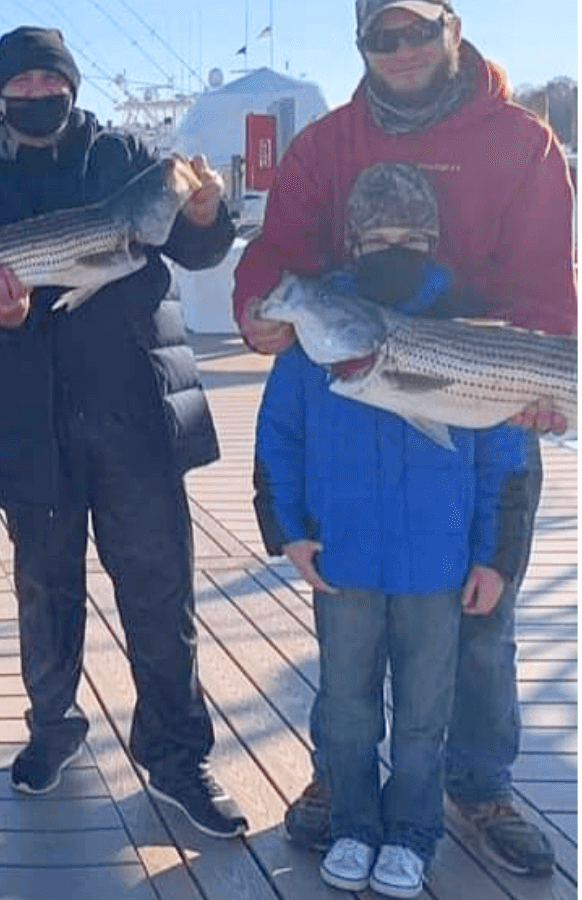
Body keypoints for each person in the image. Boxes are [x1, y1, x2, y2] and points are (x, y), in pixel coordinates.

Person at [230, 0, 576, 875]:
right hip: (362, 405)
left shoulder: (522, 142)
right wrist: (254, 309)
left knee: (480, 610)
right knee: (346, 640)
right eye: (383, 35)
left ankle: (479, 779)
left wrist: (535, 387)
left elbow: (544, 287)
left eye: (419, 27)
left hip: (489, 397)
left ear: (452, 28)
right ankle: (336, 780)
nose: (404, 47)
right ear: (360, 45)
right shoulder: (326, 145)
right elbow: (276, 255)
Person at [0, 27, 247, 838]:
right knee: (45, 590)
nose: (38, 94)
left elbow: (193, 243)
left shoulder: (125, 160)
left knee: (158, 592)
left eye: (51, 79)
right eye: (23, 83)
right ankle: (52, 728)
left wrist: (210, 209)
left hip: (135, 412)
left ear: (71, 88)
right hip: (28, 416)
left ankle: (178, 754)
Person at [255, 162, 532, 898]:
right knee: (343, 709)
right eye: (376, 235)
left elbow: (503, 458)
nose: (392, 247)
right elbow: (276, 440)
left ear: (433, 239)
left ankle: (412, 831)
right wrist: (287, 531)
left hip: (437, 569)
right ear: (351, 242)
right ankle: (352, 822)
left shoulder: (467, 323)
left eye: (410, 236)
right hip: (341, 561)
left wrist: (493, 558)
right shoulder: (316, 334)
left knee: (422, 715)